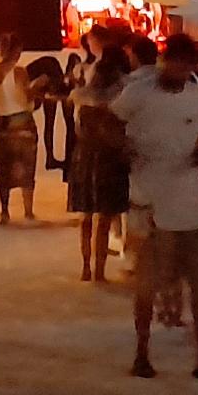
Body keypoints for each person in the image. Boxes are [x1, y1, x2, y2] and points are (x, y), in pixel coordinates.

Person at [113, 36, 198, 385]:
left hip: (190, 201)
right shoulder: (137, 93)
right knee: (147, 283)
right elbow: (106, 122)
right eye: (172, 61)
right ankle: (142, 353)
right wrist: (123, 150)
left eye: (183, 63)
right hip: (151, 200)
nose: (177, 69)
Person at [69, 46, 132, 284]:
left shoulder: (80, 97)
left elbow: (77, 128)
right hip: (108, 159)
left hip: (84, 156)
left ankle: (86, 267)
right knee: (104, 219)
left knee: (85, 217)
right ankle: (99, 271)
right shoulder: (119, 100)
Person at [0, 46, 41, 223]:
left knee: (3, 166)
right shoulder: (19, 72)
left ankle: (4, 211)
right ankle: (28, 211)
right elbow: (23, 97)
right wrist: (37, 86)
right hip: (21, 120)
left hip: (1, 122)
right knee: (26, 165)